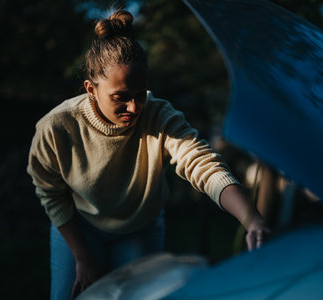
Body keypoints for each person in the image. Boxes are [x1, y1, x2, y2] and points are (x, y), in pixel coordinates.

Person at [27, 10, 270, 300]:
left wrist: (252, 219)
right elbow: (51, 192)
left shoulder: (159, 116)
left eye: (140, 93)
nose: (134, 107)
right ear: (91, 89)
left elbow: (203, 165)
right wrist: (82, 257)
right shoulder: (57, 127)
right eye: (121, 97)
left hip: (139, 229)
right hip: (79, 229)